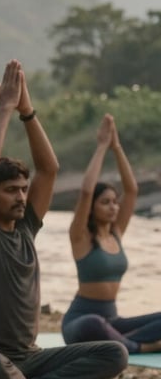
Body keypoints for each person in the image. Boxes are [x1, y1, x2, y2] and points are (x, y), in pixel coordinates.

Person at [0, 59, 127, 379]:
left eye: (23, 190)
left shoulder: (27, 227)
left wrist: (27, 111)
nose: (20, 197)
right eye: (11, 190)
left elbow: (50, 169)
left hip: (29, 360)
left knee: (115, 353)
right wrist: (4, 110)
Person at [62, 114, 161, 353]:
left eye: (115, 202)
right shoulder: (81, 237)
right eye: (105, 202)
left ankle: (127, 341)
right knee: (95, 323)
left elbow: (132, 189)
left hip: (113, 322)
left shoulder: (116, 232)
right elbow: (86, 191)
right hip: (81, 323)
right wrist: (101, 147)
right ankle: (140, 347)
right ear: (92, 207)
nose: (113, 207)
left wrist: (116, 147)